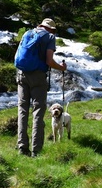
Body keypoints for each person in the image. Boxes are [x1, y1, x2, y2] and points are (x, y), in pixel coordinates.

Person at [17, 18, 67, 157]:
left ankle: (22, 147)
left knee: (22, 111)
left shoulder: (27, 33)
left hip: (21, 74)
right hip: (38, 76)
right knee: (38, 112)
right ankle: (36, 150)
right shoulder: (50, 37)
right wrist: (61, 68)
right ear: (51, 29)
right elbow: (49, 61)